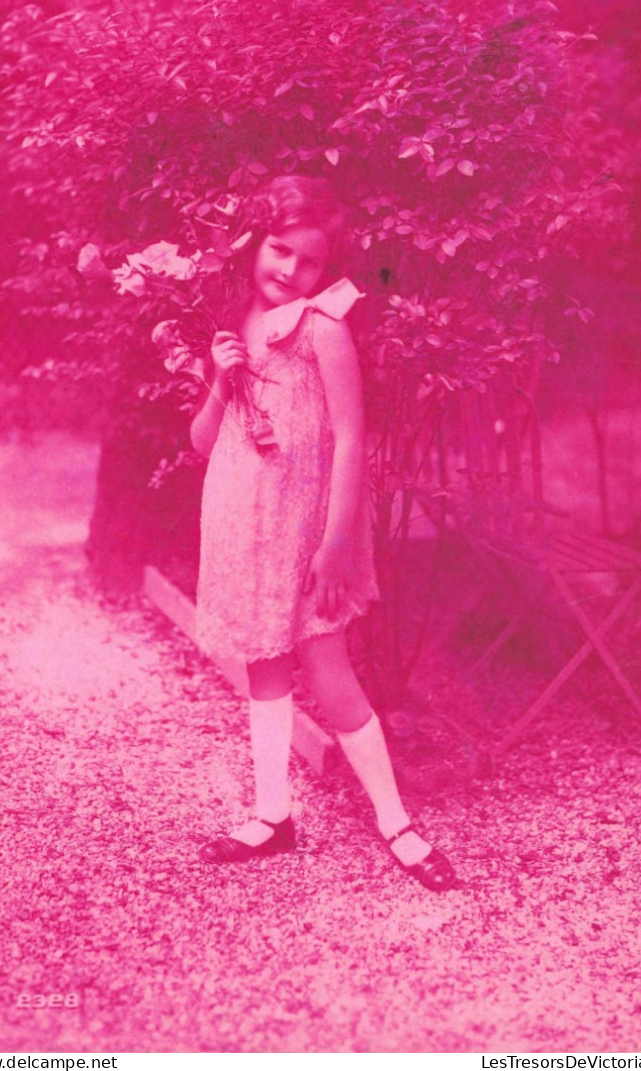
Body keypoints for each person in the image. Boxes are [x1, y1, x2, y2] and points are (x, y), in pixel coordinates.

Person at [189, 175, 455, 891]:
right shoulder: (233, 320)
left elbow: (348, 438)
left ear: (324, 268)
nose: (289, 271)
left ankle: (396, 823)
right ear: (253, 245)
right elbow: (201, 443)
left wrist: (336, 544)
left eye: (307, 261)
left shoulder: (322, 326)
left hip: (310, 529)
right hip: (246, 520)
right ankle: (273, 815)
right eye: (279, 251)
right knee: (265, 665)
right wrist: (219, 378)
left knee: (328, 669)